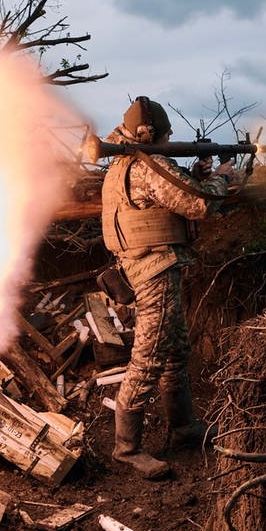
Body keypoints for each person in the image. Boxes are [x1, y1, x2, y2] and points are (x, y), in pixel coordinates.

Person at [101, 96, 229, 479]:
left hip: (147, 265)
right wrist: (222, 176)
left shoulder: (123, 164)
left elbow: (172, 193)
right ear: (152, 133)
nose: (172, 139)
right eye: (168, 134)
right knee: (150, 355)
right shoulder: (147, 165)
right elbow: (201, 204)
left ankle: (184, 426)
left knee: (175, 348)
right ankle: (127, 448)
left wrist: (197, 172)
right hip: (154, 269)